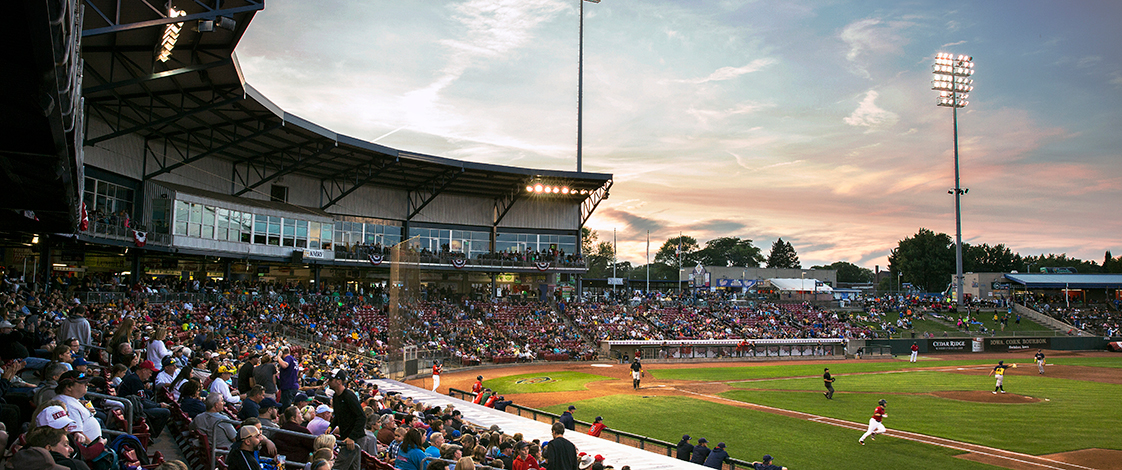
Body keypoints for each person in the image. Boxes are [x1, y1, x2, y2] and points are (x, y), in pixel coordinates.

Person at [329, 369, 365, 470]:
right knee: (352, 467)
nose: (328, 381)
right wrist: (331, 426)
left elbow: (362, 417)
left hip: (354, 438)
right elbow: (338, 415)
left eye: (331, 379)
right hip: (347, 437)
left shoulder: (349, 396)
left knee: (339, 466)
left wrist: (352, 437)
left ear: (339, 381)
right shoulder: (336, 396)